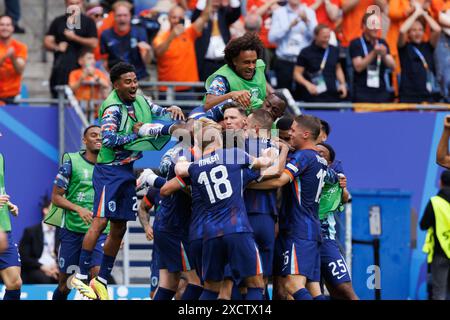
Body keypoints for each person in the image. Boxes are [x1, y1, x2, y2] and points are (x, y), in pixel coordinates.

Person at [71, 62, 184, 300]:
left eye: (135, 80)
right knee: (100, 222)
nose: (133, 85)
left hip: (126, 170)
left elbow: (154, 108)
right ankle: (81, 276)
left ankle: (101, 278)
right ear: (116, 85)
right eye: (128, 82)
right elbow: (109, 139)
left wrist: (169, 110)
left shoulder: (139, 99)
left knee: (120, 227)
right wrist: (140, 133)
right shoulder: (112, 108)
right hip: (109, 171)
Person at [174, 119, 288, 300]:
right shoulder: (234, 155)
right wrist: (274, 148)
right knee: (256, 283)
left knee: (211, 288)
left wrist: (182, 153)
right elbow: (266, 162)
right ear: (218, 140)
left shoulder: (195, 167)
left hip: (210, 233)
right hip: (237, 228)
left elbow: (179, 169)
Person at [247, 115, 338, 300]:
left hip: (299, 229)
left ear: (305, 134)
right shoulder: (318, 159)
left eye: (294, 130)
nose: (290, 133)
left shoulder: (304, 156)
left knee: (292, 284)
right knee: (313, 288)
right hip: (311, 229)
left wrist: (244, 183)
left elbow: (279, 180)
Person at [48, 125, 111, 300]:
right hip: (72, 230)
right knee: (65, 285)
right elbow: (56, 197)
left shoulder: (111, 165)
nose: (98, 138)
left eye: (101, 135)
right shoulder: (71, 162)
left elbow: (114, 201)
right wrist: (78, 208)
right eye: (93, 135)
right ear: (84, 140)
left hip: (100, 232)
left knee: (97, 279)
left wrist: (114, 233)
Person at [316, 142, 358, 300]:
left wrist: (343, 188)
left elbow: (345, 197)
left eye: (322, 154)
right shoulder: (300, 163)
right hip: (298, 237)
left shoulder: (334, 174)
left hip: (325, 237)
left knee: (342, 288)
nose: (317, 155)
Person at [153, 3, 211, 98]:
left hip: (189, 88)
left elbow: (204, 17)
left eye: (179, 18)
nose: (176, 20)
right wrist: (171, 36)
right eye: (173, 17)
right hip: (167, 90)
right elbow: (158, 53)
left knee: (190, 113)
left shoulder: (189, 33)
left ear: (184, 18)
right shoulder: (161, 36)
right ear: (168, 18)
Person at [44, 0, 98, 98]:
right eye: (71, 3)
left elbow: (94, 43)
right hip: (60, 70)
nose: (74, 6)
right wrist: (57, 47)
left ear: (82, 4)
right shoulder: (58, 21)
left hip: (80, 71)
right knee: (58, 100)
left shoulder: (88, 22)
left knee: (80, 102)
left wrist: (74, 37)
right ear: (66, 4)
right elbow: (47, 41)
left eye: (77, 3)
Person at [204, 32, 269, 112]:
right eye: (246, 62)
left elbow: (263, 85)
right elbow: (207, 104)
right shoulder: (223, 78)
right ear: (235, 61)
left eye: (254, 61)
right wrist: (231, 95)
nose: (252, 66)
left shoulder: (259, 67)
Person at [268, 0, 317, 91]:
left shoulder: (309, 12)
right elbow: (271, 38)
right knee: (284, 97)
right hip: (284, 61)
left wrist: (307, 22)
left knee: (304, 95)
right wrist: (289, 26)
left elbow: (316, 37)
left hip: (304, 62)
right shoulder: (279, 12)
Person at [398, 2, 442, 103]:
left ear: (423, 32)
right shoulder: (404, 48)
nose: (417, 33)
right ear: (409, 33)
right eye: (413, 30)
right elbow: (402, 30)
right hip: (408, 96)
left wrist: (423, 13)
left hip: (427, 95)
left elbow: (437, 29)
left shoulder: (428, 46)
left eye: (420, 30)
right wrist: (415, 14)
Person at [349, 12, 396, 103]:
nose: (375, 28)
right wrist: (374, 53)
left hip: (381, 92)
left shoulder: (382, 42)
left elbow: (393, 66)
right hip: (362, 93)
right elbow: (358, 67)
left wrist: (384, 55)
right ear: (364, 26)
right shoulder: (356, 43)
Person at [293, 24, 347, 102]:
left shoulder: (334, 50)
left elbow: (338, 68)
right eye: (324, 37)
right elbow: (296, 74)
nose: (327, 40)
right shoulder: (305, 52)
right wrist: (308, 85)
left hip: (332, 97)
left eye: (328, 37)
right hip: (313, 97)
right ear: (315, 36)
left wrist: (342, 84)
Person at [100, 1, 152, 80]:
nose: (122, 18)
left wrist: (148, 50)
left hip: (140, 78)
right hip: (118, 81)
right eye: (119, 15)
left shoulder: (139, 32)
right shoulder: (106, 35)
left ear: (130, 16)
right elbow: (104, 62)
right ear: (114, 16)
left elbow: (147, 61)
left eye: (125, 15)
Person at [192, 0, 242, 81]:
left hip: (223, 63)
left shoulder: (224, 14)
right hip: (205, 64)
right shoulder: (201, 17)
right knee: (204, 90)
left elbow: (237, 12)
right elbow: (194, 18)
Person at [420, 170, 450, 300]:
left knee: (439, 292)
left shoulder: (435, 202)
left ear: (441, 182)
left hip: (440, 253)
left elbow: (423, 225)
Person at [19, 196, 58, 284]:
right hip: (37, 269)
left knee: (67, 280)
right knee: (42, 278)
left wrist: (57, 267)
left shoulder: (62, 233)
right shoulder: (31, 232)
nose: (57, 213)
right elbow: (24, 257)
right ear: (45, 210)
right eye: (54, 209)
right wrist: (42, 266)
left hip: (56, 269)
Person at [0, 151, 21, 300]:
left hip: (4, 230)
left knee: (14, 282)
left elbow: (1, 188)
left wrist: (9, 204)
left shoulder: (0, 156)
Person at [68, 50, 110, 121]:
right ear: (81, 61)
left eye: (93, 58)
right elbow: (71, 88)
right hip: (80, 109)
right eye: (89, 58)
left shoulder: (98, 73)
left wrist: (95, 77)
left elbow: (106, 85)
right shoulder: (75, 73)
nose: (92, 61)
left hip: (95, 110)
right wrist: (81, 79)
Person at [0, 14, 27, 105]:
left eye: (8, 25)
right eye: (2, 25)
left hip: (12, 97)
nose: (5, 28)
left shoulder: (20, 47)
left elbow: (20, 70)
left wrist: (13, 58)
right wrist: (4, 57)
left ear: (12, 28)